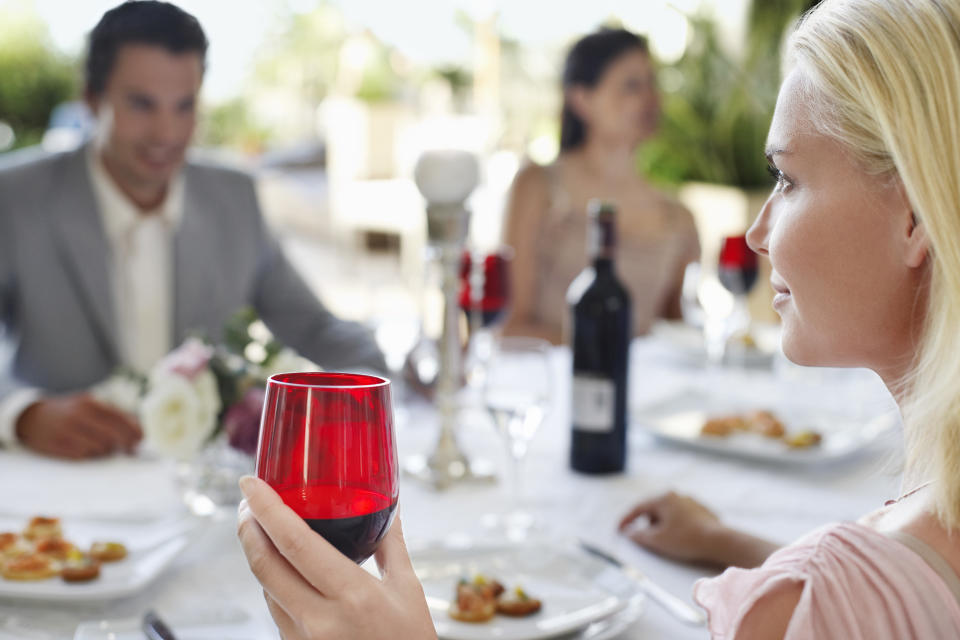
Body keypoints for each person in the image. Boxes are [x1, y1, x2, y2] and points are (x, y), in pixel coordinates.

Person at [238, 0, 960, 637]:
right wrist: (724, 538)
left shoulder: (807, 606)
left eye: (788, 178)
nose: (761, 230)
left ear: (913, 215)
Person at [0, 1, 386, 460]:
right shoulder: (15, 197)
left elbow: (314, 327)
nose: (167, 132)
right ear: (91, 98)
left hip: (204, 492)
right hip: (53, 491)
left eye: (184, 106)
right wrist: (20, 413)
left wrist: (381, 381)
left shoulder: (236, 198)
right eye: (142, 104)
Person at [502, 28, 700, 344]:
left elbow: (679, 334)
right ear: (581, 99)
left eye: (652, 84)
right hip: (552, 384)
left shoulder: (679, 216)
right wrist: (603, 357)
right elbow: (509, 326)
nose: (651, 99)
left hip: (644, 390)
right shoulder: (539, 186)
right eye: (631, 85)